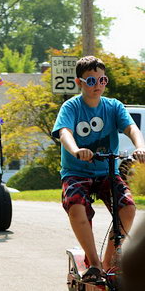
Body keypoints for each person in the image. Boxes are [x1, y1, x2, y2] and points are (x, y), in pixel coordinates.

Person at [52, 56, 145, 283]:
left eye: (102, 79)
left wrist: (140, 147)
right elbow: (65, 132)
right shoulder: (71, 106)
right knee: (75, 205)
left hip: (107, 172)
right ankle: (93, 264)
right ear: (79, 82)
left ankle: (108, 262)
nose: (97, 85)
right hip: (76, 172)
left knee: (128, 207)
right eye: (91, 80)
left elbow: (131, 127)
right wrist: (76, 150)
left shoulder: (113, 106)